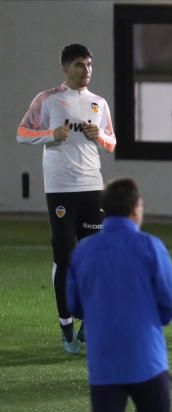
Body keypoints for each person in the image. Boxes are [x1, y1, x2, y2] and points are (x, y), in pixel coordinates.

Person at [16, 43, 116, 354]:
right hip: (60, 189)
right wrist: (50, 134)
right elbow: (22, 132)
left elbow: (112, 143)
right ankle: (65, 327)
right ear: (65, 68)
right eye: (78, 65)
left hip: (91, 186)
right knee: (64, 258)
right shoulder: (48, 100)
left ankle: (87, 317)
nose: (86, 70)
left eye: (89, 64)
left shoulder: (98, 103)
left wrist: (97, 136)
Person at [66, 178, 172, 412]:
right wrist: (149, 320)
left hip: (104, 362)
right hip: (147, 357)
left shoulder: (83, 251)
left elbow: (74, 304)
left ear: (105, 210)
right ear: (135, 208)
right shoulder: (151, 246)